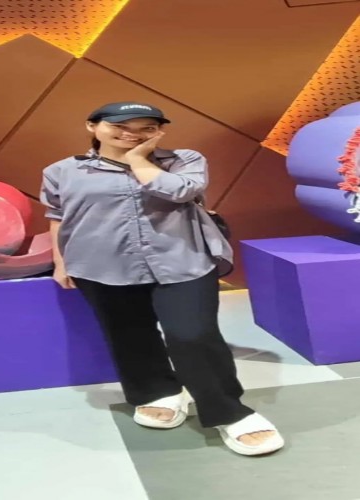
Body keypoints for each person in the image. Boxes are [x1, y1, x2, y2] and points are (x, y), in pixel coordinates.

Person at [39, 101, 284, 456]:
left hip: (183, 261)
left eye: (146, 128)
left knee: (192, 334)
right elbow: (59, 216)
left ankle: (230, 412)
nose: (132, 134)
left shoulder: (184, 160)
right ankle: (157, 391)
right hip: (100, 265)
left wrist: (138, 160)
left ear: (159, 132)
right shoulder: (62, 171)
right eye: (120, 126)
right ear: (92, 126)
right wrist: (61, 261)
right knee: (128, 334)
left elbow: (181, 191)